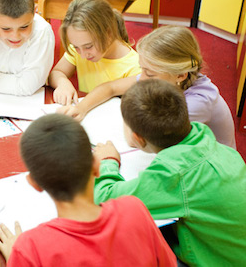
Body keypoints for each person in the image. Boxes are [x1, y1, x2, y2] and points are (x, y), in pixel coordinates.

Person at [93, 79, 246, 266]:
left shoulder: (175, 174)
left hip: (215, 262)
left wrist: (108, 162)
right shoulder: (212, 145)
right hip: (233, 250)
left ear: (138, 139)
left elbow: (106, 197)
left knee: (122, 242)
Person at [0, 114, 176, 266]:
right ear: (97, 166)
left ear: (35, 183)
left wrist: (15, 259)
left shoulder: (30, 248)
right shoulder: (134, 208)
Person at [58, 25, 236, 149]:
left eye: (149, 74)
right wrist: (81, 108)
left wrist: (131, 108)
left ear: (180, 75)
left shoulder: (197, 104)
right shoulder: (167, 77)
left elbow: (139, 139)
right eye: (142, 70)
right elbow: (110, 88)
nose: (141, 79)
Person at [48, 0, 140, 105]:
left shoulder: (135, 66)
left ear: (109, 33)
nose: (82, 55)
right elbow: (57, 72)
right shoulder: (80, 45)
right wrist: (62, 83)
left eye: (88, 46)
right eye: (76, 47)